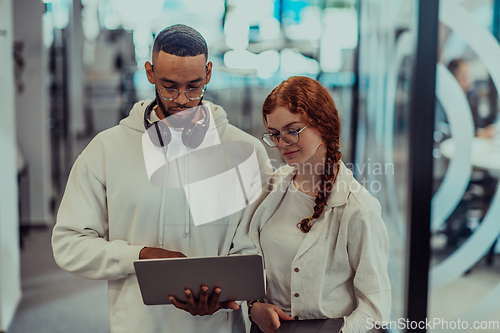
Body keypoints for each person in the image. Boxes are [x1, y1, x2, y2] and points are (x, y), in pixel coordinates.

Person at [52, 24, 271, 333]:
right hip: (137, 325)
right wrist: (138, 256)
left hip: (219, 326)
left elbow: (259, 247)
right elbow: (69, 245)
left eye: (194, 86)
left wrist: (230, 293)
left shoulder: (247, 152)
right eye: (169, 86)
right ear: (150, 73)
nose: (182, 99)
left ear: (208, 73)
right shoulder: (106, 149)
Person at [246, 76, 391, 333]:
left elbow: (376, 308)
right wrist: (254, 305)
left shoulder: (358, 209)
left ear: (323, 124)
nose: (282, 143)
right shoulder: (271, 188)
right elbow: (247, 254)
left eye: (293, 130)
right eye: (274, 134)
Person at [447, 59, 497, 138]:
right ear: (452, 78)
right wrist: (477, 134)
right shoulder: (447, 104)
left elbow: (477, 125)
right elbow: (449, 131)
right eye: (463, 76)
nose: (468, 80)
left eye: (469, 76)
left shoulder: (472, 99)